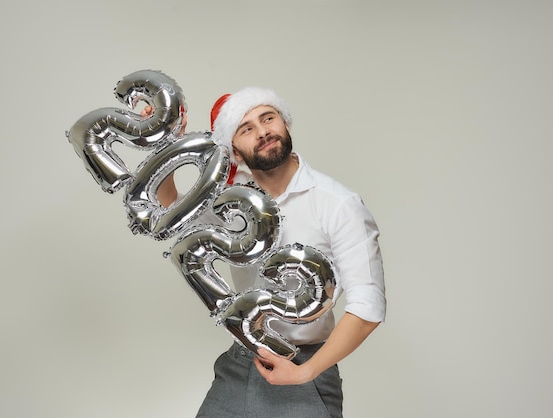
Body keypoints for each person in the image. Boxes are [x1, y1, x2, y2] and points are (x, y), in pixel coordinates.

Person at [144, 87, 386, 417]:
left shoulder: (338, 204)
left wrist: (305, 372)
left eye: (268, 118)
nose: (263, 132)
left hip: (305, 367)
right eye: (246, 129)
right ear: (236, 153)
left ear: (284, 124)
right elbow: (172, 209)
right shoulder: (233, 200)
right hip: (240, 364)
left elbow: (368, 306)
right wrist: (165, 147)